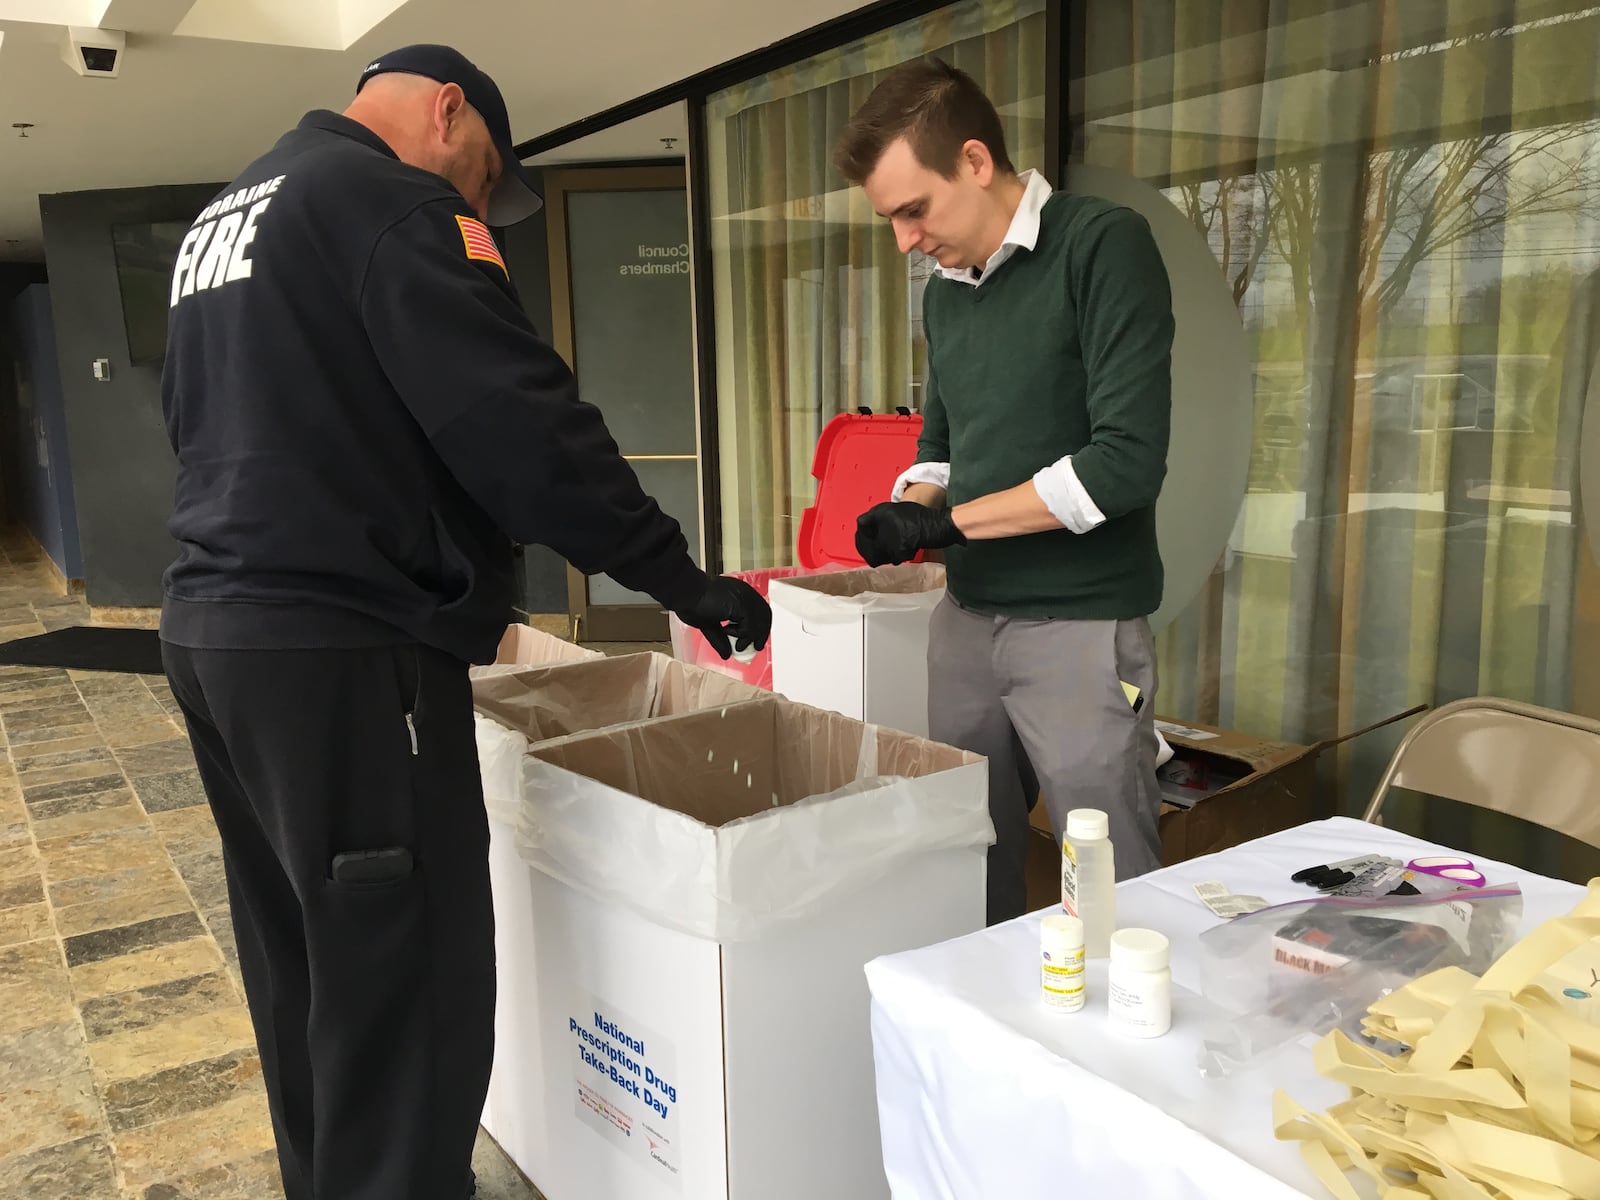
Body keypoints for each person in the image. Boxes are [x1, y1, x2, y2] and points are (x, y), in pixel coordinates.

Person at [159, 44, 769, 1200]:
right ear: (446, 112)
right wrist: (681, 580)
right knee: (409, 984)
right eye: (483, 175)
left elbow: (201, 427)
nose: (477, 205)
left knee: (304, 966)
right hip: (343, 653)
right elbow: (522, 427)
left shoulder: (221, 223)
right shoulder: (394, 207)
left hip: (215, 640)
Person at [835, 58, 1173, 924]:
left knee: (1110, 889)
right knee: (962, 862)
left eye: (915, 210)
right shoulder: (947, 295)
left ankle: (1115, 1050)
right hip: (965, 627)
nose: (905, 241)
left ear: (977, 162)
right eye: (891, 219)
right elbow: (944, 445)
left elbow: (1123, 464)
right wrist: (909, 500)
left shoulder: (1102, 247)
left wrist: (949, 530)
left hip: (1080, 628)